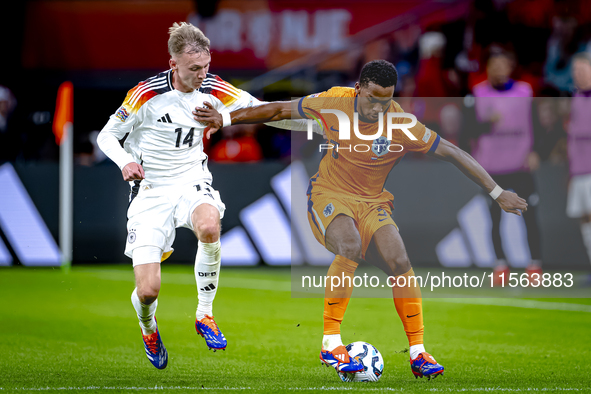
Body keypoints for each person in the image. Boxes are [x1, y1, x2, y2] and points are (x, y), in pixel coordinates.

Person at [194, 60, 528, 379]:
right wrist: (225, 119)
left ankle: (418, 352)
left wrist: (497, 192)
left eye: (387, 100)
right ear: (358, 89)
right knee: (350, 245)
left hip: (373, 204)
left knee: (400, 260)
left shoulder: (401, 124)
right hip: (329, 195)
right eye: (373, 99)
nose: (378, 107)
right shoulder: (333, 101)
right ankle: (331, 343)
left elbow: (454, 153)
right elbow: (279, 109)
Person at [97, 22, 313, 370]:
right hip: (150, 191)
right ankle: (148, 327)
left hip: (191, 179)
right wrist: (125, 161)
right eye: (194, 68)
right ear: (174, 65)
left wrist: (318, 124)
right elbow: (107, 135)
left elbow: (267, 111)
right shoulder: (146, 95)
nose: (202, 75)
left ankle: (205, 314)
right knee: (149, 290)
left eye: (206, 66)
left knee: (210, 226)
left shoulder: (214, 88)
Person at [471, 48, 542, 283]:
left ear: (510, 67)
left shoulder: (525, 92)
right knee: (494, 218)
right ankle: (501, 266)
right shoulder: (478, 94)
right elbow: (466, 131)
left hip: (520, 165)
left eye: (503, 65)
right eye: (494, 65)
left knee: (530, 215)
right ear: (488, 68)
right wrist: (486, 124)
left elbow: (537, 124)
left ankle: (534, 266)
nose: (499, 69)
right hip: (492, 169)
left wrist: (536, 151)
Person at [567, 53, 591, 272]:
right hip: (579, 172)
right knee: (584, 220)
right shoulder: (575, 99)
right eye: (575, 71)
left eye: (582, 70)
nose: (578, 75)